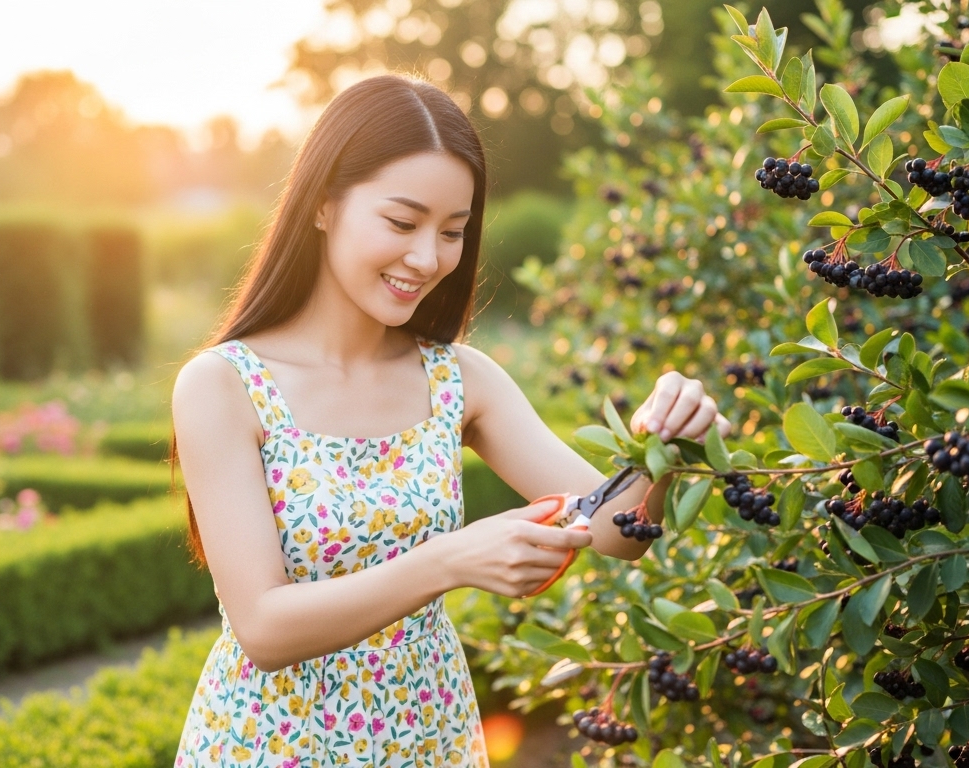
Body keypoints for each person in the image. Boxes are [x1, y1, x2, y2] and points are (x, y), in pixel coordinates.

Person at [168, 74, 730, 767]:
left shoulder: (457, 379)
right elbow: (263, 627)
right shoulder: (224, 385)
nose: (427, 258)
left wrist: (662, 447)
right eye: (402, 223)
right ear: (321, 204)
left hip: (426, 735)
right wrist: (447, 562)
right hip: (273, 743)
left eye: (452, 232)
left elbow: (614, 532)